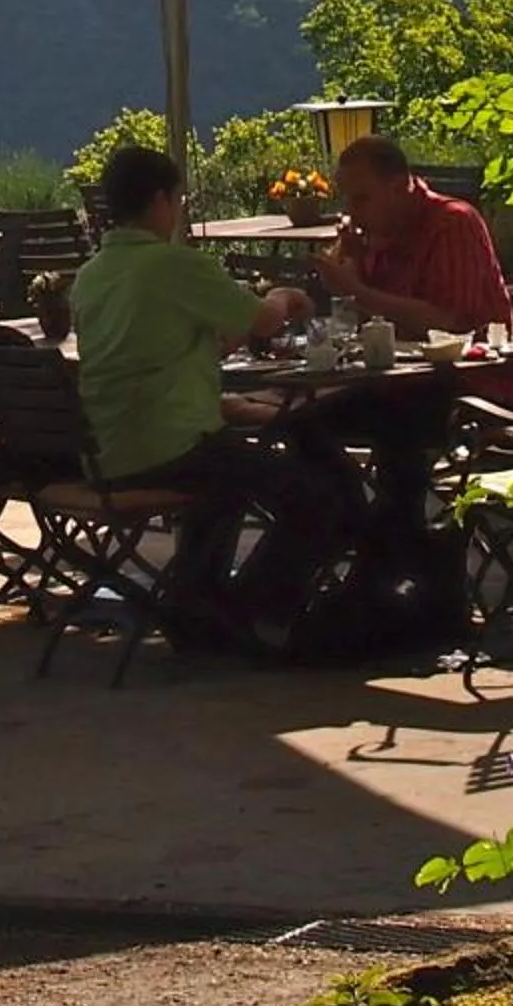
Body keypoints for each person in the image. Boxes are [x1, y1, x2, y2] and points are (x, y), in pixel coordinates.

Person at [68, 142, 351, 648]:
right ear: (159, 200)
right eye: (177, 200)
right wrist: (285, 296)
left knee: (228, 483)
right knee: (318, 496)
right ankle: (251, 608)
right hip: (169, 444)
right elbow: (265, 319)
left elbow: (166, 343)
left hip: (108, 448)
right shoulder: (171, 264)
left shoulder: (91, 275)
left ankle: (199, 604)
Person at [313, 137, 513, 340]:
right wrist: (352, 270)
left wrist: (356, 292)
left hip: (475, 367)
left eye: (361, 199)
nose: (351, 211)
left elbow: (451, 323)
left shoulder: (452, 223)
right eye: (346, 199)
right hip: (404, 366)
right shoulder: (374, 233)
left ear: (400, 187)